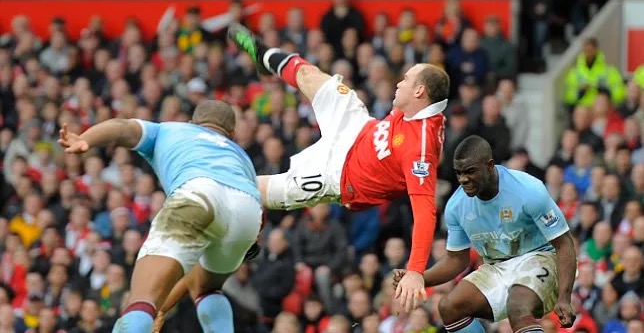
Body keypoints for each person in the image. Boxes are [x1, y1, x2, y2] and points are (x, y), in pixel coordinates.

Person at [228, 23, 450, 312]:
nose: (399, 82)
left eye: (406, 79)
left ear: (420, 91)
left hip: (337, 177)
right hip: (357, 127)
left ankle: (248, 233)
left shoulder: (420, 147)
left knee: (253, 188)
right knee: (310, 75)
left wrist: (416, 269)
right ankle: (264, 55)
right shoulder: (418, 111)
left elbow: (424, 211)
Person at [57, 100, 263, 333]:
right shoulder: (241, 156)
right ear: (233, 134)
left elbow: (123, 127)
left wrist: (86, 138)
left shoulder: (170, 129)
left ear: (191, 123)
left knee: (142, 300)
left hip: (198, 194)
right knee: (207, 289)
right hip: (247, 210)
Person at [392, 135, 577, 333]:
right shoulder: (456, 206)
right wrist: (419, 277)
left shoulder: (528, 190)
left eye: (470, 171)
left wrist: (564, 298)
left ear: (490, 166)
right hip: (497, 268)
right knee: (449, 307)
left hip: (542, 258)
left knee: (517, 306)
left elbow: (564, 244)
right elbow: (456, 260)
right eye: (459, 173)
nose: (463, 179)